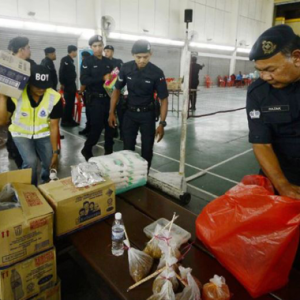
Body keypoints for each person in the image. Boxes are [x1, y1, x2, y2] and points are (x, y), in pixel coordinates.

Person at [247, 24, 300, 270]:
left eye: (271, 69)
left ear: (297, 57)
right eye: (260, 71)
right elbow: (261, 142)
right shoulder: (259, 91)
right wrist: (283, 187)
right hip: (280, 176)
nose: (265, 77)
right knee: (277, 247)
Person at [109, 40, 168, 169]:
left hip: (148, 116)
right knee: (127, 149)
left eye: (145, 57)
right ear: (132, 55)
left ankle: (144, 176)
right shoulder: (126, 68)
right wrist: (111, 113)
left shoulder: (157, 73)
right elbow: (116, 90)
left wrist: (162, 123)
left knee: (147, 150)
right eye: (138, 57)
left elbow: (164, 99)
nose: (142, 60)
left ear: (150, 54)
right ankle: (131, 177)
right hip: (129, 114)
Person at [0, 65, 63, 185]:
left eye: (45, 86)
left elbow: (54, 126)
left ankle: (46, 183)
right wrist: (2, 98)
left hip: (43, 134)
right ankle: (31, 188)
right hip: (21, 133)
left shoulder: (55, 97)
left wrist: (55, 152)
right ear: (29, 82)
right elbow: (2, 121)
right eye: (37, 86)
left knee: (49, 161)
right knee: (30, 162)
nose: (41, 89)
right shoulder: (15, 95)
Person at [80, 35, 114, 161]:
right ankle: (87, 149)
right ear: (91, 47)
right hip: (94, 99)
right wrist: (102, 78)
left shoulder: (108, 62)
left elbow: (112, 81)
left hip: (108, 98)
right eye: (95, 46)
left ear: (103, 47)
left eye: (100, 46)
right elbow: (84, 79)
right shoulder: (87, 62)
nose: (98, 49)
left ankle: (109, 152)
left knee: (110, 127)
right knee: (97, 127)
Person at [6, 36, 36, 168]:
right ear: (21, 49)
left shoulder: (32, 65)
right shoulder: (6, 66)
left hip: (30, 112)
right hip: (12, 111)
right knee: (16, 144)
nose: (30, 50)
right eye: (28, 47)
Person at [104, 45, 125, 139]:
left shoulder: (118, 62)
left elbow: (123, 72)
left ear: (112, 52)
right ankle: (113, 129)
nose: (106, 53)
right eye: (105, 51)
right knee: (112, 112)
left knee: (121, 112)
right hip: (107, 91)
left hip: (118, 90)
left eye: (108, 51)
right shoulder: (103, 62)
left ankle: (123, 132)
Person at [59, 45, 79, 127]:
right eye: (76, 51)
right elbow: (61, 72)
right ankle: (65, 121)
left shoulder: (70, 60)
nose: (76, 53)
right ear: (73, 51)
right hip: (68, 86)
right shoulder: (65, 60)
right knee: (68, 104)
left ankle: (70, 119)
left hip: (71, 85)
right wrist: (62, 83)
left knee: (70, 104)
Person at [78, 51, 91, 135]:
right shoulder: (91, 62)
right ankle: (89, 128)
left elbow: (84, 82)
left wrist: (80, 92)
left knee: (89, 112)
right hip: (90, 92)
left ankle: (90, 129)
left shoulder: (85, 63)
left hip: (89, 92)